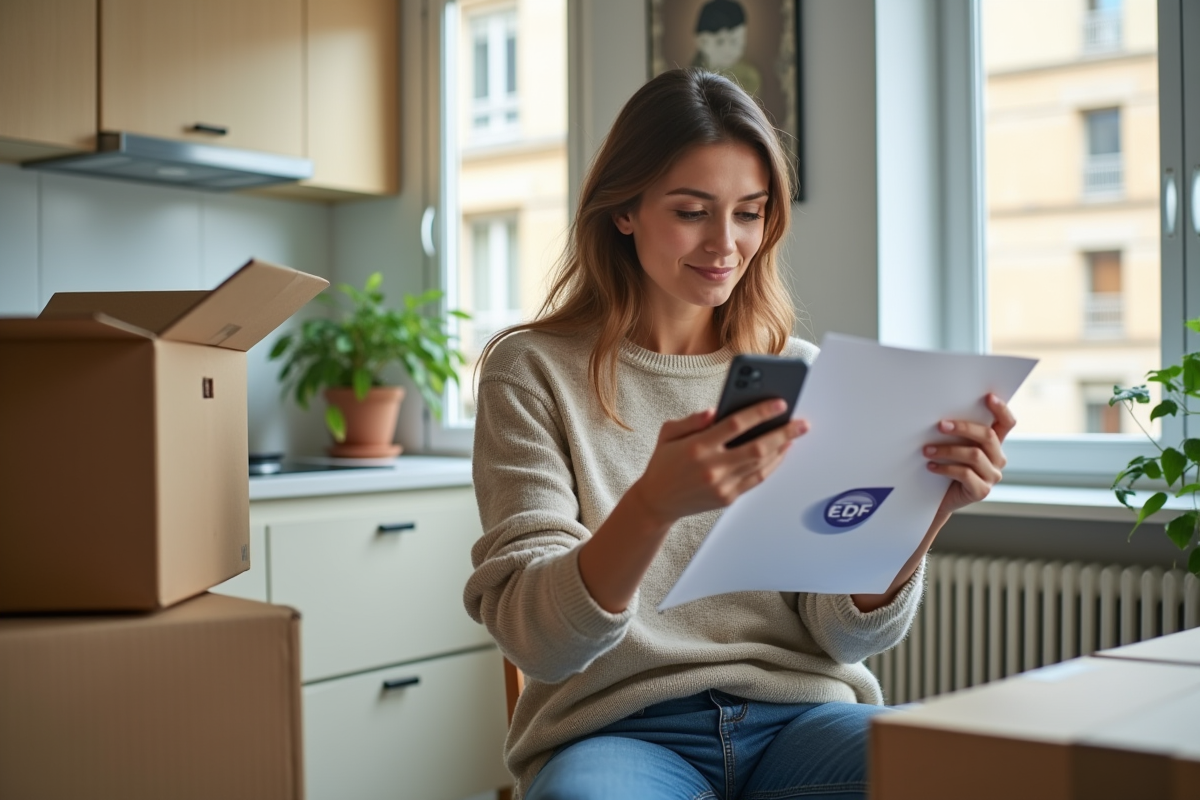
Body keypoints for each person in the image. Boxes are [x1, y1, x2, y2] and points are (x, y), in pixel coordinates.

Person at [463, 68, 1014, 800]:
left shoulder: (797, 371)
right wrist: (653, 505)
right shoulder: (532, 370)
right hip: (618, 732)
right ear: (624, 209)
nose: (726, 243)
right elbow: (542, 642)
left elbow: (845, 635)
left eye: (749, 213)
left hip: (802, 719)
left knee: (981, 771)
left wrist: (928, 506)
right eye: (693, 211)